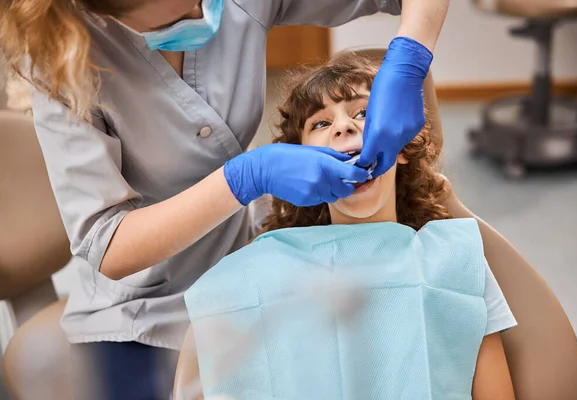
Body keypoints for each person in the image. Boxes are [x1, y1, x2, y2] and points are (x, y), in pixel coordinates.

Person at [0, 0, 449, 398]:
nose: (205, 11)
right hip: (146, 311)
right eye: (320, 124)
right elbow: (108, 243)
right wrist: (246, 177)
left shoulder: (448, 258)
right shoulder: (63, 64)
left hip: (251, 268)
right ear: (104, 12)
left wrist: (411, 53)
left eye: (361, 116)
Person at [185, 53, 517, 399]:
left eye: (362, 113)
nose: (344, 126)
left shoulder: (454, 262)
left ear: (401, 146)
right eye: (320, 124)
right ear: (297, 165)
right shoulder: (255, 272)